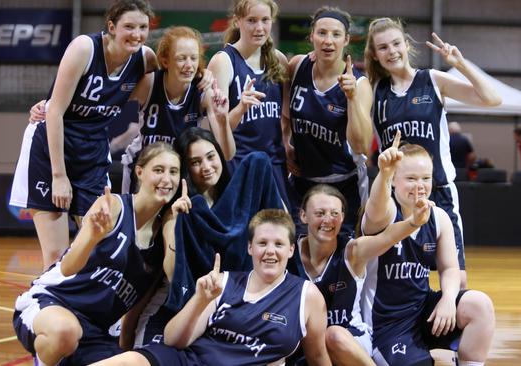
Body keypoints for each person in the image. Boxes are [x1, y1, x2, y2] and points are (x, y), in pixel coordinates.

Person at [11, 0, 158, 270]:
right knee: (55, 256)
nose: (136, 34)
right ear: (111, 27)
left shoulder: (146, 58)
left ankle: (83, 310)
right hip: (51, 146)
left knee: (98, 246)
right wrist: (59, 176)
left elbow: (178, 80)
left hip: (91, 150)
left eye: (143, 27)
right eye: (129, 26)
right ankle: (40, 310)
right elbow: (54, 111)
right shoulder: (84, 48)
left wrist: (204, 80)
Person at [12, 142, 182, 366]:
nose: (167, 179)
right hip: (54, 304)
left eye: (174, 172)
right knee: (65, 332)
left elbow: (139, 307)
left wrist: (172, 221)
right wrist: (92, 236)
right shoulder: (113, 207)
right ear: (140, 172)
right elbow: (67, 268)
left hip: (98, 333)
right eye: (158, 170)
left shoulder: (161, 243)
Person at [91, 209, 331, 366]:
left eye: (279, 244)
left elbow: (318, 356)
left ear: (291, 250)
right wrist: (199, 301)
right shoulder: (223, 281)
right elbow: (173, 340)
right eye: (262, 243)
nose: (270, 251)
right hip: (190, 361)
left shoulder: (306, 296)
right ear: (250, 248)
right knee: (128, 362)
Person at [364, 18, 502, 287]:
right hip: (397, 197)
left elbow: (492, 99)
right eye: (383, 47)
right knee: (395, 278)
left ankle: (450, 321)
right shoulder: (374, 92)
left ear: (406, 45)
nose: (391, 51)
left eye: (395, 43)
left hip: (437, 190)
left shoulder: (432, 80)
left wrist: (461, 65)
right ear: (375, 55)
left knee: (457, 278)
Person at [122, 127, 284, 348]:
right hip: (180, 307)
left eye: (210, 157)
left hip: (228, 308)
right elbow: (172, 274)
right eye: (195, 162)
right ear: (186, 170)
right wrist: (177, 223)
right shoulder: (179, 209)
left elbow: (282, 223)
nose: (206, 167)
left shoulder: (240, 196)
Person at [361, 138, 495, 366]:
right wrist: (383, 173)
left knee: (479, 305)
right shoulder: (385, 212)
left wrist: (448, 300)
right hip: (386, 326)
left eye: (426, 178)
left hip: (423, 312)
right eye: (411, 178)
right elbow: (375, 209)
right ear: (394, 180)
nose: (420, 185)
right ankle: (441, 358)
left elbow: (451, 268)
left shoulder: (439, 217)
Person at [294, 184, 437, 365]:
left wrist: (413, 223)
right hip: (308, 345)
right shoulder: (289, 253)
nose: (327, 220)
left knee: (333, 335)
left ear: (343, 217)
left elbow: (385, 238)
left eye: (335, 214)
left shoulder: (353, 251)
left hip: (349, 339)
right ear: (303, 215)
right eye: (320, 213)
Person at [284, 6, 373, 238]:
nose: (328, 41)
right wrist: (285, 144)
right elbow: (283, 115)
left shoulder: (359, 84)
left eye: (336, 34)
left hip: (343, 183)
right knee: (298, 253)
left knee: (340, 257)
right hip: (302, 183)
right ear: (312, 36)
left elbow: (362, 144)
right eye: (322, 33)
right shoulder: (297, 66)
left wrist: (352, 99)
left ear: (346, 40)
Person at [122, 26, 235, 193]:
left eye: (193, 58)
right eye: (182, 58)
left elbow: (227, 154)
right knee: (134, 218)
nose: (189, 65)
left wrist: (223, 119)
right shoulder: (149, 83)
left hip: (178, 173)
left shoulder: (203, 91)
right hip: (142, 168)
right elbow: (112, 98)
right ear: (166, 61)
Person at [207, 0, 293, 207]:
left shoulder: (278, 60)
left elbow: (287, 115)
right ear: (237, 21)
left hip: (274, 164)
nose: (259, 28)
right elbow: (218, 132)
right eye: (252, 21)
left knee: (280, 231)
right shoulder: (223, 61)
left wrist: (288, 144)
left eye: (265, 20)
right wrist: (240, 108)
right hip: (238, 164)